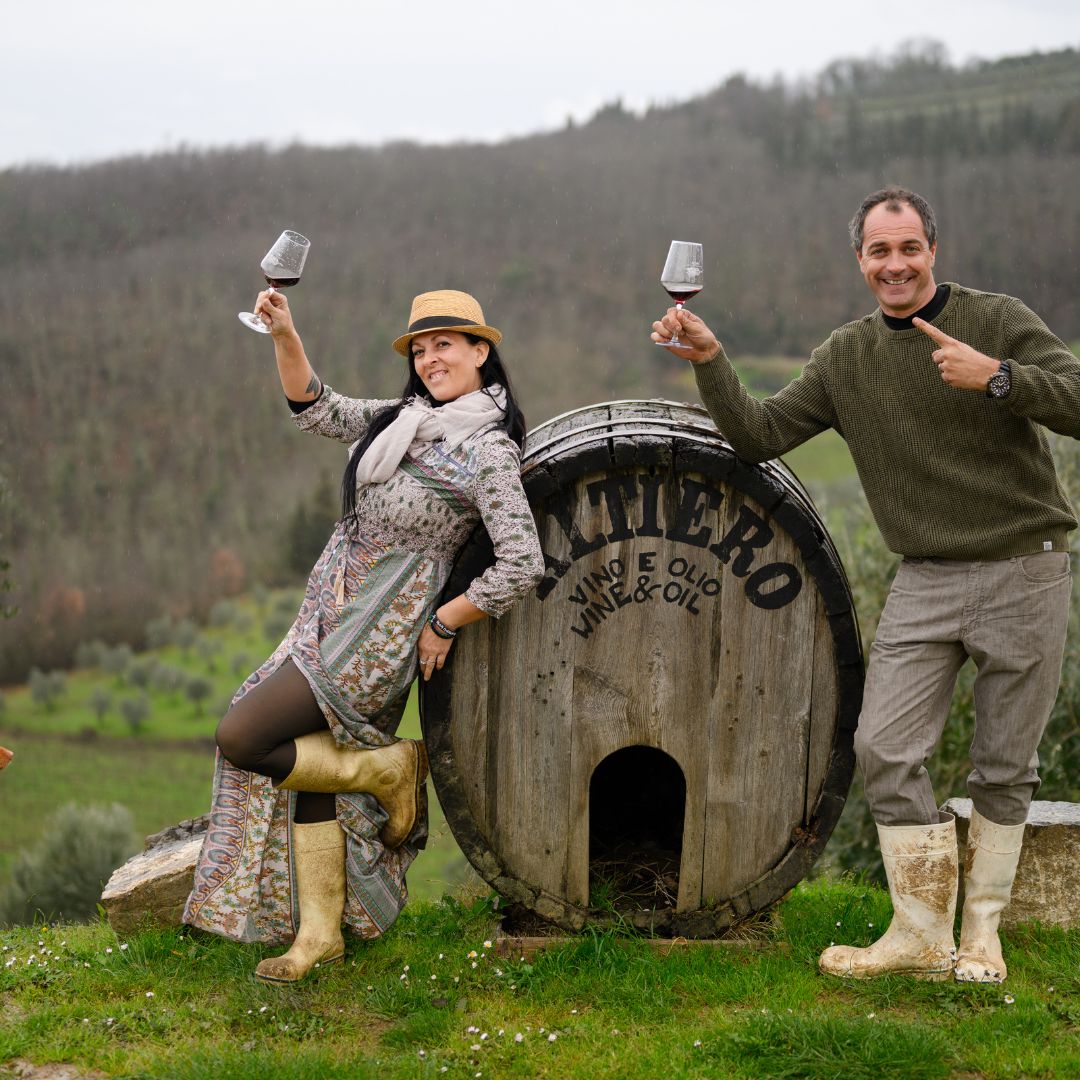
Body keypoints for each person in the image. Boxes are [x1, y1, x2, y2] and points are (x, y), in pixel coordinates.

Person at [651, 186, 1080, 984]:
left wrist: (1000, 378)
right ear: (860, 261)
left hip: (1027, 564)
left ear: (932, 252)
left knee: (1004, 764)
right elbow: (760, 434)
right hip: (926, 576)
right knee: (883, 747)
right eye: (879, 251)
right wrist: (711, 360)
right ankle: (920, 936)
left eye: (908, 247)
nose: (895, 264)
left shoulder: (995, 320)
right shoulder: (846, 357)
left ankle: (981, 937)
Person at [184, 288, 544, 983]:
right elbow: (314, 407)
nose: (431, 356)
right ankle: (320, 934)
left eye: (446, 343)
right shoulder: (398, 420)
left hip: (377, 636)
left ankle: (384, 771)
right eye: (421, 347)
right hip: (325, 616)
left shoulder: (487, 453)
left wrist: (447, 618)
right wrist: (285, 333)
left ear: (481, 351)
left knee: (244, 736)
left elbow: (523, 561)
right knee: (309, 761)